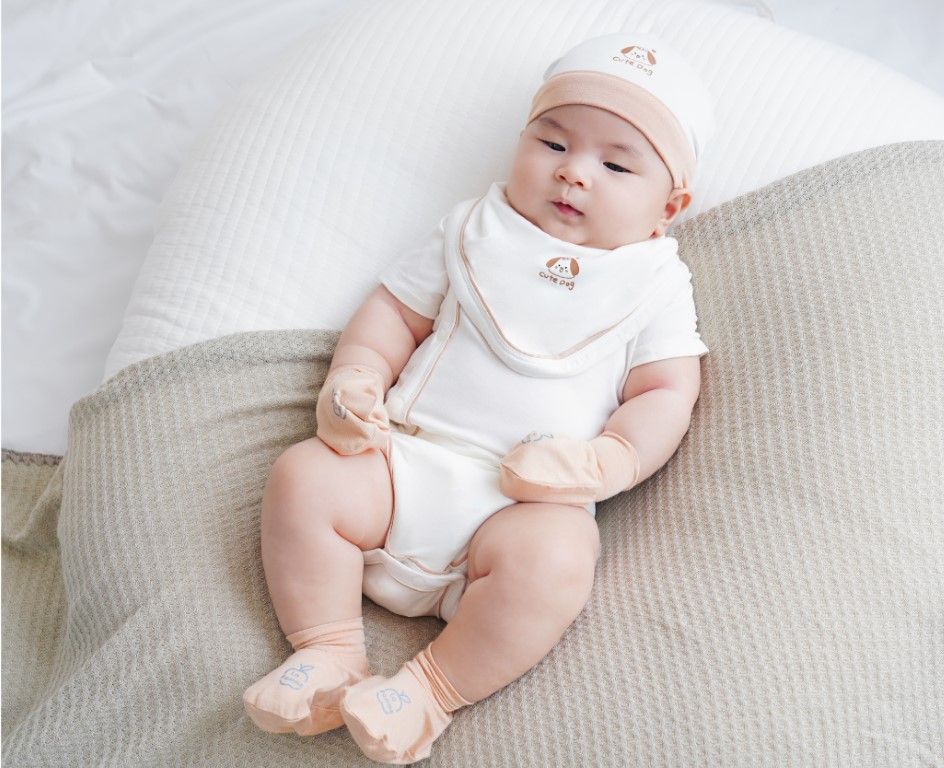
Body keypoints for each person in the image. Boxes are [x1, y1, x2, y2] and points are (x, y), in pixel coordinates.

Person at [242, 30, 714, 764]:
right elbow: (394, 314)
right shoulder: (471, 230)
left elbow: (665, 391)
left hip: (520, 508)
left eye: (616, 164)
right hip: (401, 465)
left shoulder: (655, 284)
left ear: (669, 206)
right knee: (305, 475)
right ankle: (328, 650)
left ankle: (427, 691)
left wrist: (610, 460)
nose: (574, 173)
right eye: (552, 144)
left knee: (560, 560)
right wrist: (355, 377)